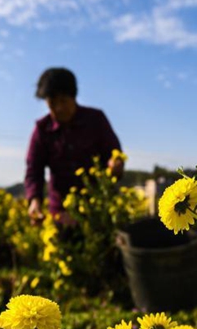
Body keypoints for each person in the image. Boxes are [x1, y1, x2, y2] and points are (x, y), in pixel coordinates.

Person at [25, 67, 124, 226]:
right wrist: (34, 201)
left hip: (100, 210)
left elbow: (114, 153)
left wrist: (115, 165)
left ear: (74, 96)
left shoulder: (95, 120)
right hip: (62, 214)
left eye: (63, 101)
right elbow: (33, 170)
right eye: (52, 104)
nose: (58, 108)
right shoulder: (42, 129)